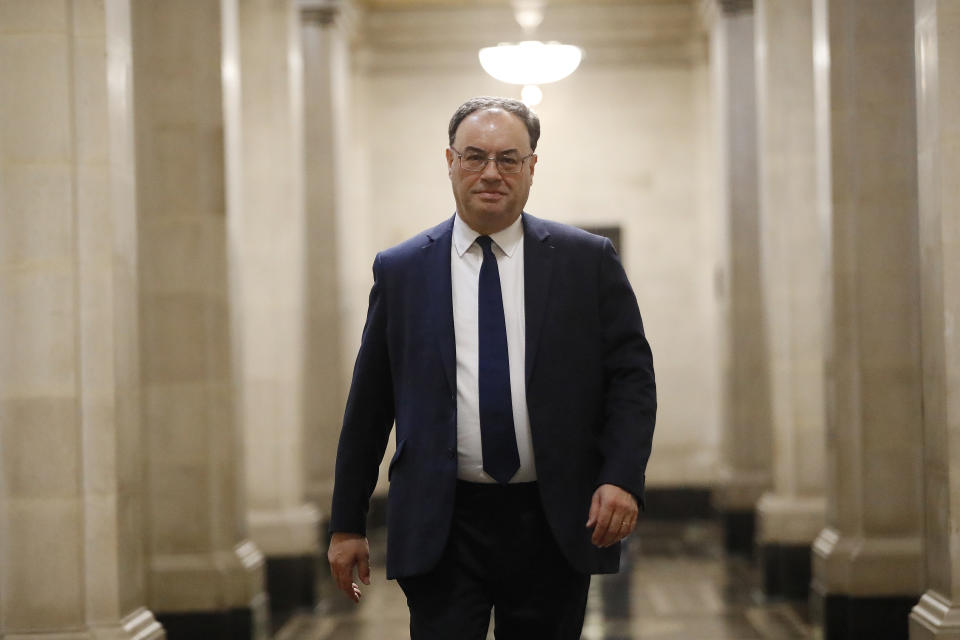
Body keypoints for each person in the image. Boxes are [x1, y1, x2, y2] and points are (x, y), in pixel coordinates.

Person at [327, 96, 656, 639]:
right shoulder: (402, 270)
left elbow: (632, 379)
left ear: (531, 167)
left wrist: (621, 475)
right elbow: (369, 404)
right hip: (443, 521)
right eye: (475, 156)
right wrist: (346, 523)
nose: (491, 173)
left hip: (554, 519)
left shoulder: (585, 261)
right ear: (450, 161)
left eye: (509, 159)